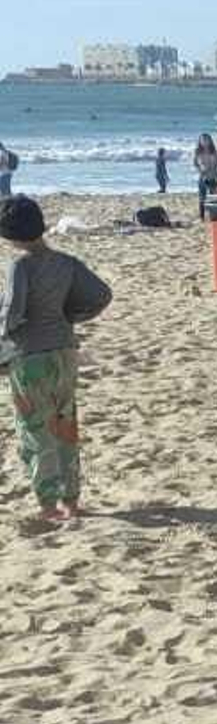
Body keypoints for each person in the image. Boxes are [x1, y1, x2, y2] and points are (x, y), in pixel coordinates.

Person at [1, 195, 112, 524]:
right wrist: (69, 315)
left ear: (9, 235)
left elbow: (13, 315)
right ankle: (72, 502)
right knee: (65, 426)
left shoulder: (20, 266)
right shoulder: (66, 261)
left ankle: (48, 505)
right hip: (65, 351)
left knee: (35, 431)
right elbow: (101, 295)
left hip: (30, 357)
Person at [193, 132, 217, 217]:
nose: (205, 142)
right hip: (203, 176)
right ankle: (202, 216)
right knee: (202, 197)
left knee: (213, 196)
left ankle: (213, 215)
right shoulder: (197, 151)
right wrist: (200, 170)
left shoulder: (214, 150)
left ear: (210, 140)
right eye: (203, 140)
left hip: (212, 175)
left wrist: (215, 173)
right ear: (200, 141)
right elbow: (195, 163)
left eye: (206, 139)